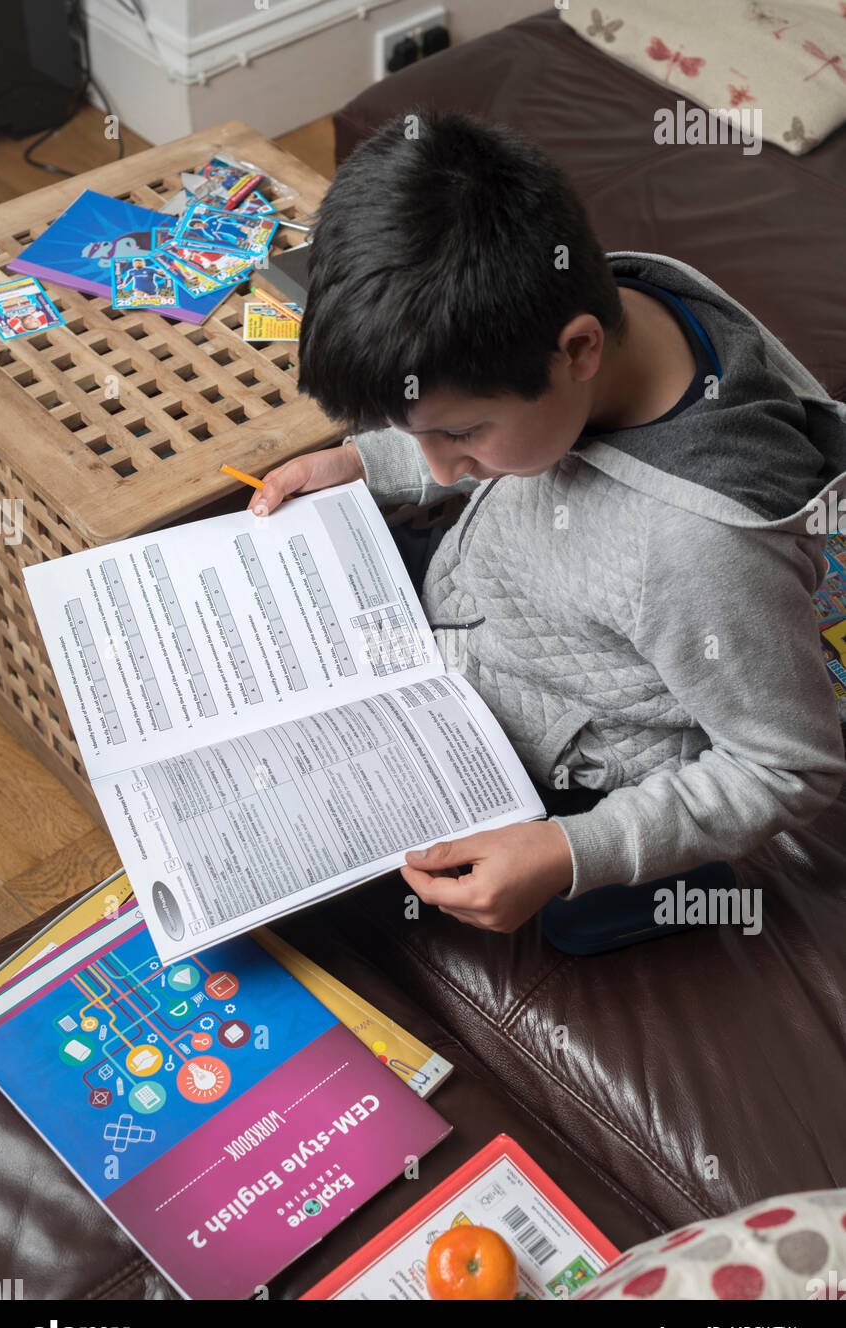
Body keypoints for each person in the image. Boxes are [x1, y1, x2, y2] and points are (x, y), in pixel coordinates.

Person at [248, 112, 846, 953]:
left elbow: (789, 764)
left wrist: (570, 851)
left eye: (458, 435)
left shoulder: (699, 551)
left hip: (589, 756)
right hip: (494, 598)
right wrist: (370, 464)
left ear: (578, 351)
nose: (444, 468)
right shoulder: (629, 293)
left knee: (307, 882)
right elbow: (475, 417)